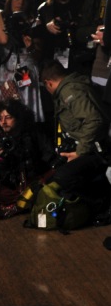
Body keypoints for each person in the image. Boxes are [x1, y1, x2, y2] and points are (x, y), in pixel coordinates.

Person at [41, 60, 109, 202]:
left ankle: (100, 203)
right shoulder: (71, 87)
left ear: (48, 83)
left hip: (98, 149)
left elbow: (94, 121)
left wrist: (80, 152)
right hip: (88, 145)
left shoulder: (70, 92)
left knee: (63, 176)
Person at [0, 100, 55, 219]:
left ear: (18, 118)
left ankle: (14, 206)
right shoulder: (0, 138)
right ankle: (24, 202)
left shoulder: (33, 132)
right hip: (13, 187)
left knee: (51, 175)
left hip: (33, 180)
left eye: (8, 117)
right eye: (0, 118)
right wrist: (1, 161)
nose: (3, 122)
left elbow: (49, 156)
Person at [0, 0, 45, 121]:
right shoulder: (2, 17)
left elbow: (38, 55)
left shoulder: (35, 22)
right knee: (6, 116)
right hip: (7, 73)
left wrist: (30, 46)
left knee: (26, 117)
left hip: (27, 73)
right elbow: (3, 40)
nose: (20, 2)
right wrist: (0, 16)